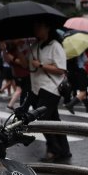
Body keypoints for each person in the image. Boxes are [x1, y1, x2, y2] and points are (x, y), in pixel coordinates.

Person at [29, 19, 70, 162]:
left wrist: (41, 65)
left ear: (47, 28)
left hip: (51, 88)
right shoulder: (35, 46)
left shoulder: (55, 46)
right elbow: (27, 65)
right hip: (37, 88)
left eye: (38, 26)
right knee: (53, 120)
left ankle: (54, 150)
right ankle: (64, 150)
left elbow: (61, 69)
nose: (36, 29)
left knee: (42, 119)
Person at [4, 38, 32, 110]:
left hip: (27, 74)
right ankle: (19, 109)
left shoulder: (25, 44)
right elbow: (23, 64)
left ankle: (13, 106)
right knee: (23, 93)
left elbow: (25, 63)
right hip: (21, 74)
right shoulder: (11, 50)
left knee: (22, 92)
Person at [64, 47, 88, 114]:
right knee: (83, 92)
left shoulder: (67, 52)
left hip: (72, 74)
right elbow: (86, 61)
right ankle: (70, 105)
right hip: (81, 72)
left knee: (83, 91)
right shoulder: (80, 50)